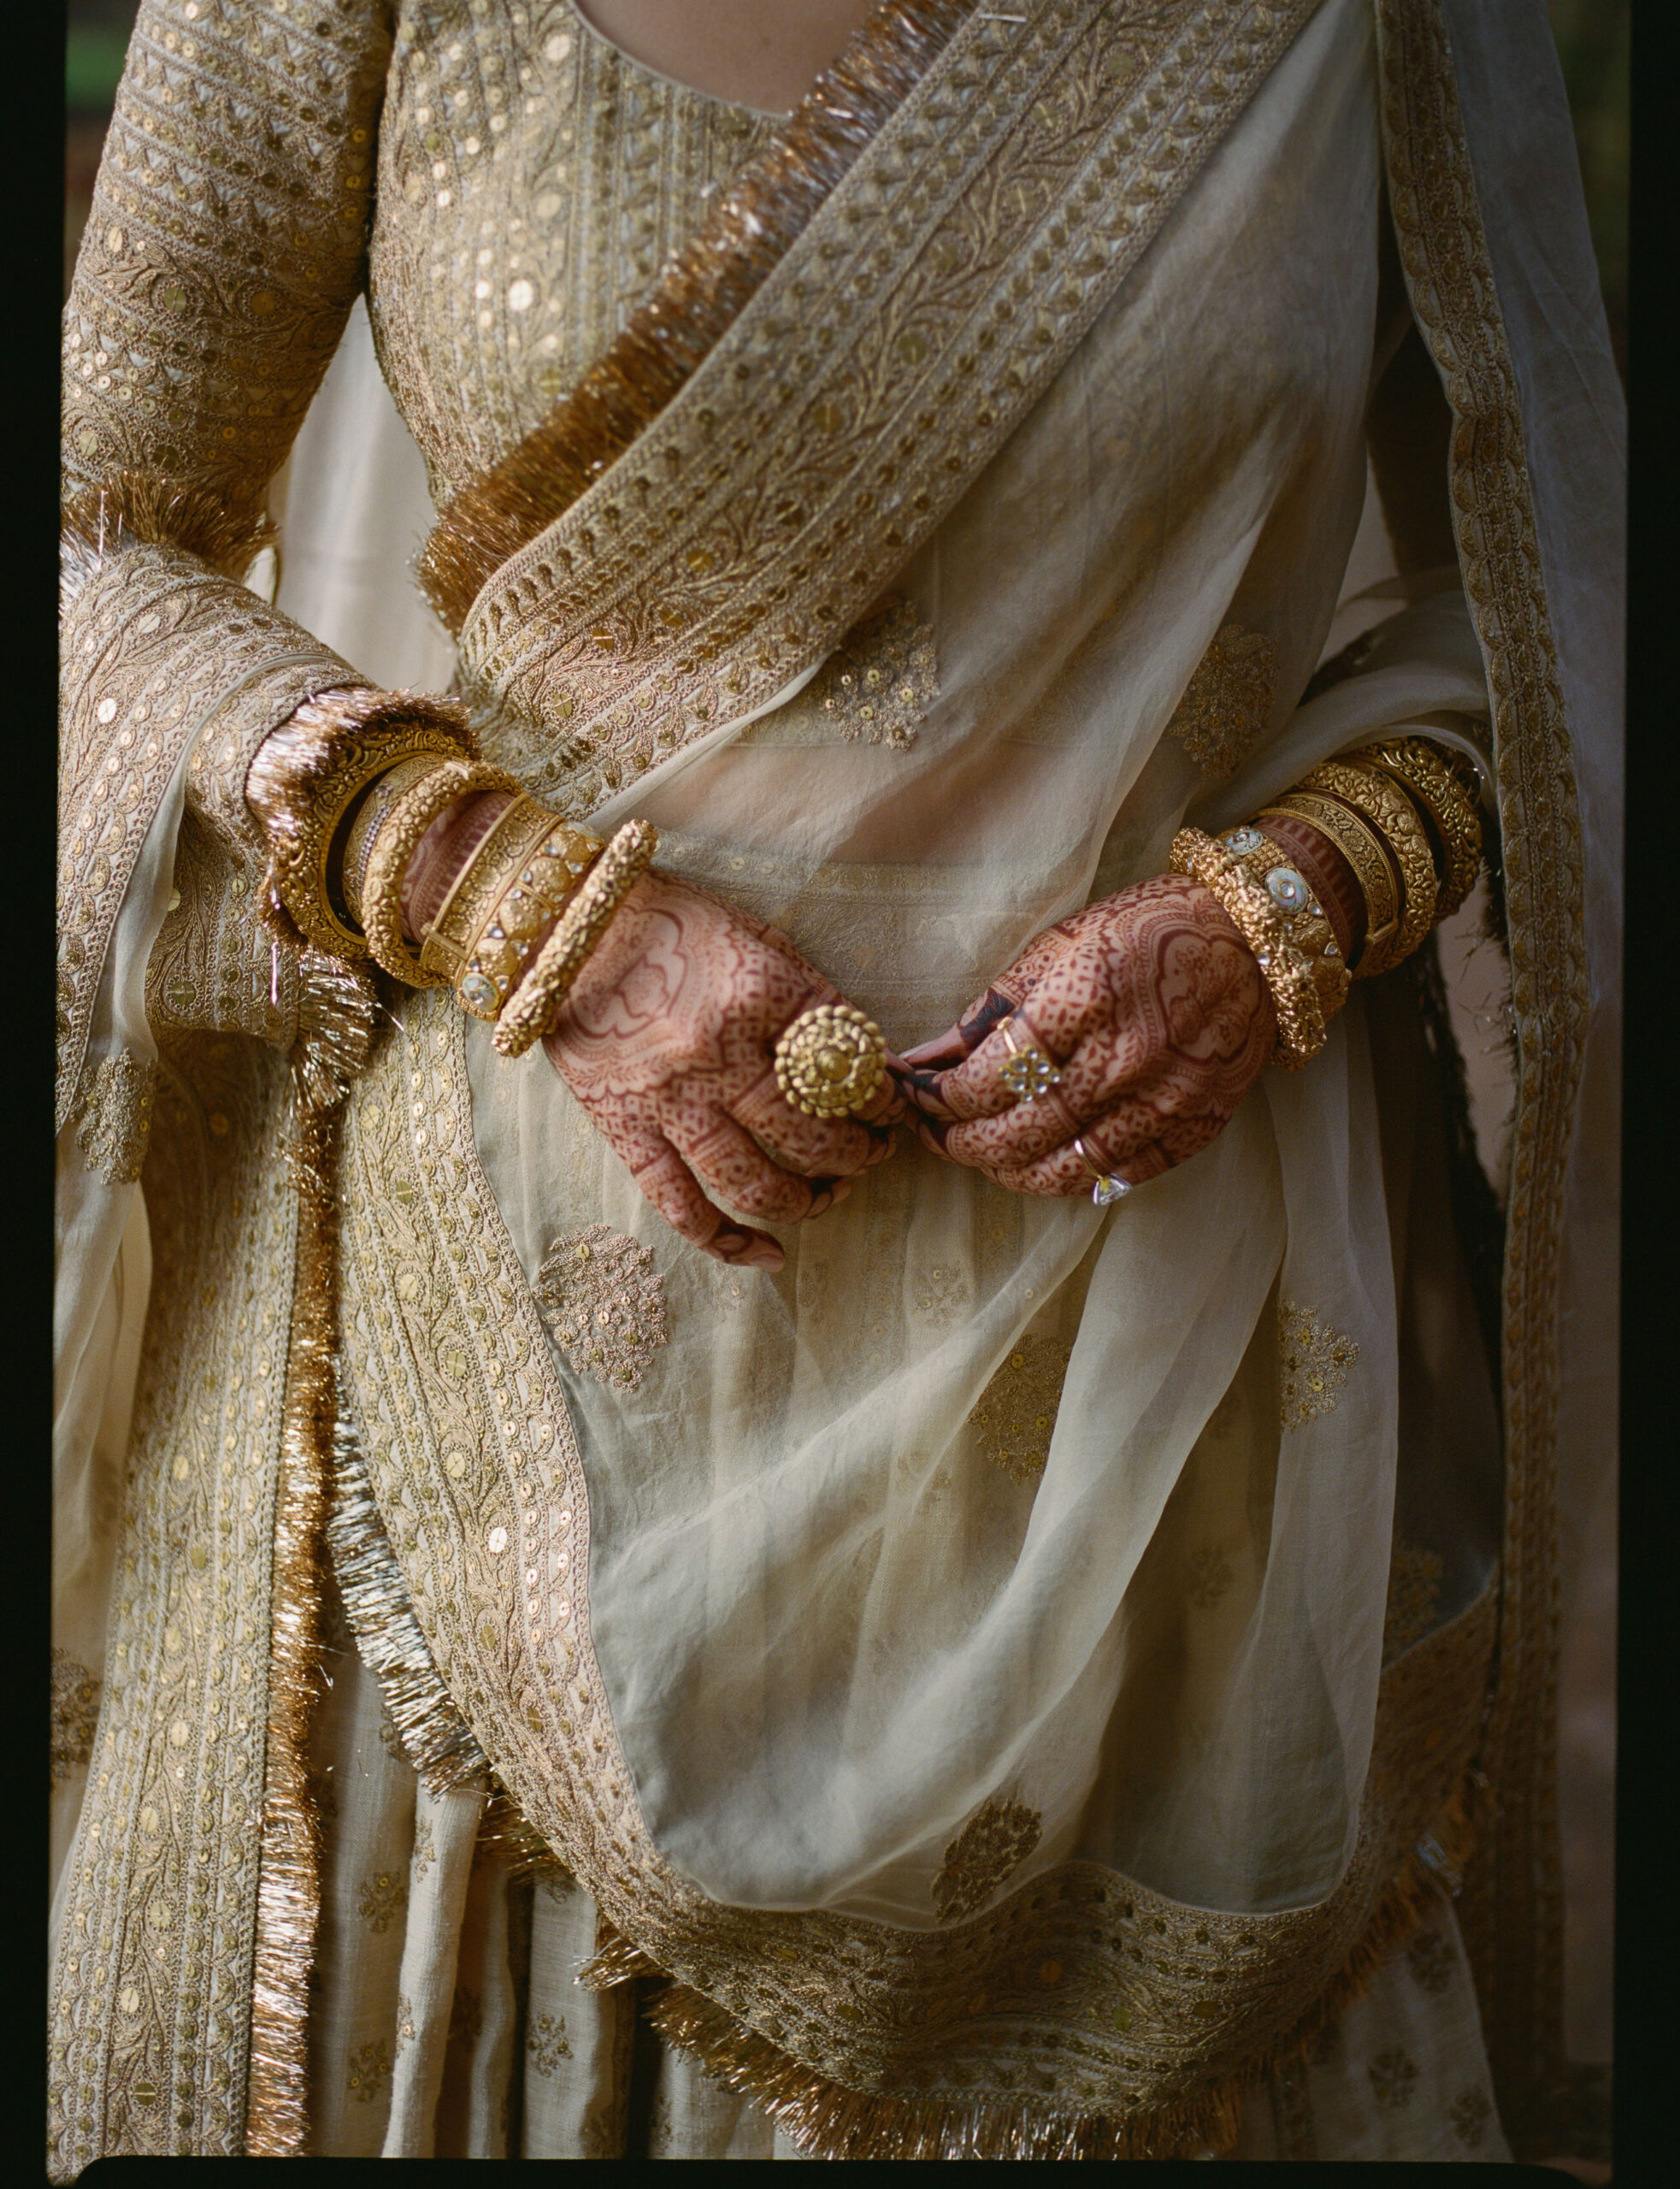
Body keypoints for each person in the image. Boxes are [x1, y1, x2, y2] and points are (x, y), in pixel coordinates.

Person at [52, 0, 1620, 2168]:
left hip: (1186, 1418)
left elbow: (1553, 575)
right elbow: (91, 547)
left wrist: (1295, 894)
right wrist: (520, 905)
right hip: (510, 1426)